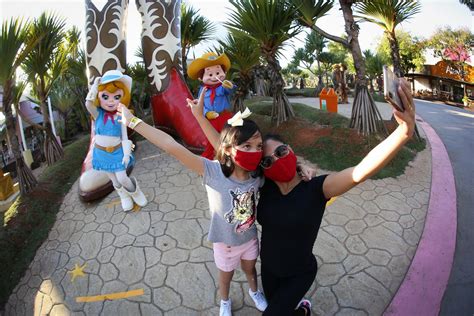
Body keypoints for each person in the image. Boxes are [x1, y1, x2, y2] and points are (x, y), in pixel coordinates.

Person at [255, 78, 416, 315]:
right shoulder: (264, 186)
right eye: (268, 161)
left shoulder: (317, 189)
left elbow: (359, 171)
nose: (277, 160)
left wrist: (403, 134)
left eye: (281, 152)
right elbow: (229, 154)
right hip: (268, 270)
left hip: (299, 273)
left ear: (291, 150)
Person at [117, 88, 268, 316]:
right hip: (225, 243)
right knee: (225, 277)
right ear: (228, 150)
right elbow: (172, 146)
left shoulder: (257, 174)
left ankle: (255, 292)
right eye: (246, 146)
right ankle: (225, 301)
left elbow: (282, 169)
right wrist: (133, 122)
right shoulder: (214, 172)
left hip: (249, 238)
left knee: (250, 269)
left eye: (258, 146)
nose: (254, 152)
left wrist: (301, 168)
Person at [85, 70, 147, 211]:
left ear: (122, 97)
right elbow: (88, 104)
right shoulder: (97, 114)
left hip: (117, 152)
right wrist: (96, 85)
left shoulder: (121, 115)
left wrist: (126, 154)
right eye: (105, 96)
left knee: (122, 178)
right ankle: (123, 196)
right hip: (101, 153)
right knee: (113, 179)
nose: (111, 101)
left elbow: (125, 137)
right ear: (99, 97)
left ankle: (135, 192)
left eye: (117, 96)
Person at [187, 52, 236, 159]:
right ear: (201, 77)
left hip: (225, 117)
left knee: (229, 138)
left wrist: (229, 85)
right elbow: (202, 105)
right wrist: (206, 113)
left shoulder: (222, 86)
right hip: (211, 120)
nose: (215, 77)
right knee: (211, 140)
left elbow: (230, 90)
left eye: (218, 72)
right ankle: (210, 159)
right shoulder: (203, 90)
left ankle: (232, 158)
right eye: (210, 74)